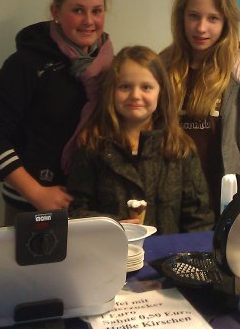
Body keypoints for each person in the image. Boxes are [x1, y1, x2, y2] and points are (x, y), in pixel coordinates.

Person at [0, 0, 114, 224]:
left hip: (93, 205)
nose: (88, 21)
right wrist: (36, 192)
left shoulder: (110, 64)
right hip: (33, 207)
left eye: (97, 11)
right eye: (78, 10)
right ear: (55, 12)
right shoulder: (25, 64)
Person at [67, 46, 214, 234]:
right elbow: (76, 211)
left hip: (167, 252)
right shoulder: (93, 145)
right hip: (113, 249)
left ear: (161, 91)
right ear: (111, 91)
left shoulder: (180, 148)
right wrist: (115, 225)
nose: (135, 95)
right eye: (125, 87)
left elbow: (199, 220)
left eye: (146, 87)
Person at [161, 0, 240, 219]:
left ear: (226, 22)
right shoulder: (163, 66)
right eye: (194, 16)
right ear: (181, 17)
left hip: (224, 206)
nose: (201, 27)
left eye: (213, 18)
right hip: (171, 205)